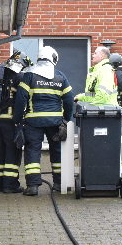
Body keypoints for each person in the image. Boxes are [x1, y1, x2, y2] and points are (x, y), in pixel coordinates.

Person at [13, 46, 75, 196]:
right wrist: (66, 120)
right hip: (55, 121)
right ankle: (59, 184)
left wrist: (17, 119)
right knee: (57, 152)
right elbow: (69, 99)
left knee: (32, 151)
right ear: (53, 58)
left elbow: (21, 98)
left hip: (33, 122)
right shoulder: (60, 76)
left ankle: (33, 186)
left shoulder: (29, 76)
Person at [0, 50, 32, 193]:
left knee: (1, 151)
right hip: (11, 121)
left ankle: (1, 184)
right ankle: (10, 185)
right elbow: (24, 97)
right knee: (13, 152)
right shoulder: (20, 77)